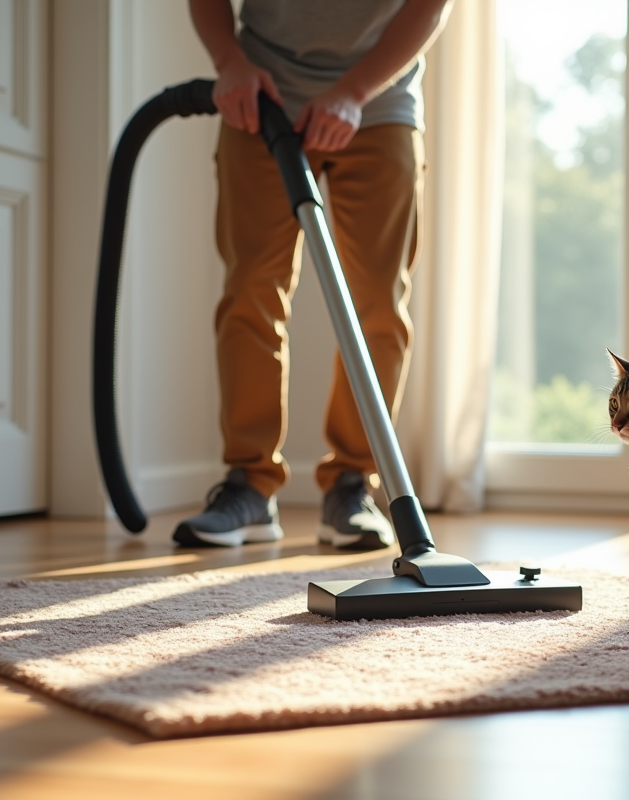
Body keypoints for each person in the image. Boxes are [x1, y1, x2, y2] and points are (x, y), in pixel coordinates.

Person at [176, 0, 453, 551]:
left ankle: (352, 484)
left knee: (378, 307)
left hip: (379, 105)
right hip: (259, 100)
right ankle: (249, 484)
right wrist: (229, 61)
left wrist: (354, 91)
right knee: (250, 294)